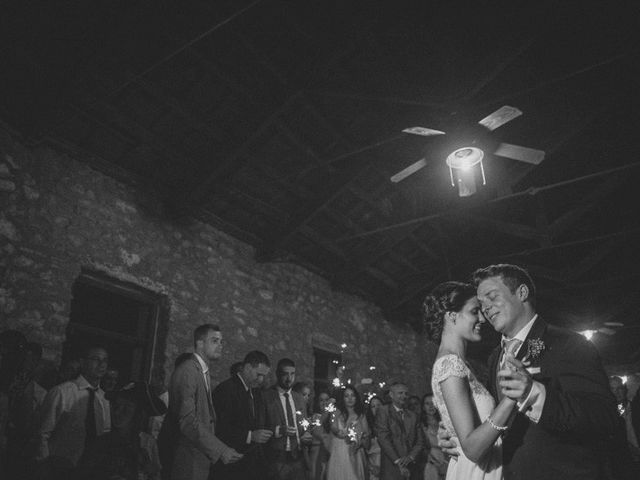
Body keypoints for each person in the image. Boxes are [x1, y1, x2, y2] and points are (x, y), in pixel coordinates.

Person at [439, 264, 619, 480]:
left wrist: (534, 393)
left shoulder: (568, 343)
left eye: (492, 296)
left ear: (522, 293)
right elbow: (493, 416)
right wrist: (457, 432)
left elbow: (603, 417)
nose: (485, 308)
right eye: (481, 303)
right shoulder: (495, 356)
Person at [426, 281, 522, 480]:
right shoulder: (450, 365)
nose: (482, 319)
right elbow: (472, 448)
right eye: (474, 311)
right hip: (475, 472)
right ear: (451, 316)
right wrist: (510, 398)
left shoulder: (460, 364)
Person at [158, 324, 242, 480]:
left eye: (221, 342)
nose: (220, 346)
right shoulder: (188, 370)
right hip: (186, 456)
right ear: (200, 343)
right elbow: (187, 420)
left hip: (198, 456)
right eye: (215, 341)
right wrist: (221, 450)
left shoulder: (201, 371)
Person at [36, 345, 112, 472]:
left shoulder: (105, 400)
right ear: (82, 362)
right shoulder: (62, 392)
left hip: (89, 471)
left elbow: (104, 436)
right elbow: (42, 434)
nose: (101, 364)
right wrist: (44, 465)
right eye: (96, 359)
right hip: (58, 468)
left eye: (105, 360)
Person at [211, 350, 273, 480]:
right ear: (248, 367)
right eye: (259, 374)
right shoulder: (226, 390)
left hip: (250, 466)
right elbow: (220, 428)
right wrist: (250, 436)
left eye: (264, 376)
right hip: (230, 466)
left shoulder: (255, 392)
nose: (261, 380)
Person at [262, 358, 310, 480]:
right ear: (277, 374)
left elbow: (303, 425)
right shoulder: (266, 397)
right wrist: (279, 430)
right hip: (276, 459)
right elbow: (259, 426)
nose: (289, 378)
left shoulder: (299, 398)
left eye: (292, 374)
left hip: (298, 458)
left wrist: (307, 433)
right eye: (285, 374)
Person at [376, 382, 424, 480]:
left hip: (411, 466)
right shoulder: (383, 411)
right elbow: (383, 438)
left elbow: (420, 441)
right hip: (391, 466)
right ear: (391, 395)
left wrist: (410, 457)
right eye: (400, 393)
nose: (404, 396)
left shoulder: (413, 416)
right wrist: (398, 461)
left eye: (406, 393)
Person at [326, 385, 370, 480]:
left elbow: (366, 435)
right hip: (338, 452)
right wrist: (338, 432)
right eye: (346, 396)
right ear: (342, 398)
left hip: (355, 452)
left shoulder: (361, 416)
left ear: (356, 398)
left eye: (352, 395)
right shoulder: (336, 412)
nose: (350, 398)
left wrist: (358, 443)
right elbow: (332, 426)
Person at [420, 394, 446, 480]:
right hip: (431, 463)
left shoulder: (445, 421)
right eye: (427, 403)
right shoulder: (420, 425)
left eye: (433, 402)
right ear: (423, 407)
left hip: (447, 460)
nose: (431, 406)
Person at [309, 390, 332, 480]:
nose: (324, 402)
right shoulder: (315, 417)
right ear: (317, 402)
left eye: (326, 400)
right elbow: (318, 433)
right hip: (316, 455)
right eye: (321, 400)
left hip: (330, 455)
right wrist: (328, 407)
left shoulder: (333, 418)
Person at [365, 395, 383, 480]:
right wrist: (371, 467)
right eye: (373, 406)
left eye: (379, 405)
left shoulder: (392, 426)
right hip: (374, 467)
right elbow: (363, 452)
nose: (376, 408)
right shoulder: (368, 427)